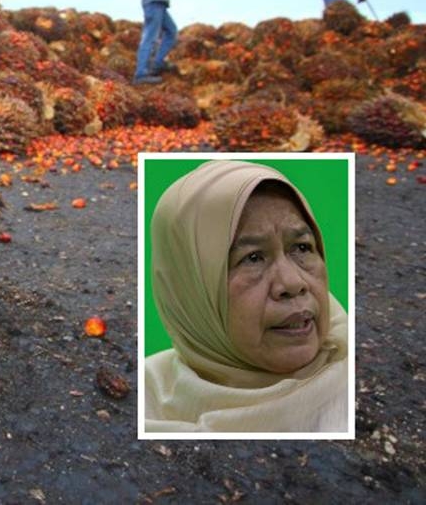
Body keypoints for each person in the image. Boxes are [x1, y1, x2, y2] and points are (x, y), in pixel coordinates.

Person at [144, 160, 348, 432]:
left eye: (301, 247)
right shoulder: (146, 397)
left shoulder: (354, 386)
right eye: (253, 258)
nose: (292, 283)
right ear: (190, 290)